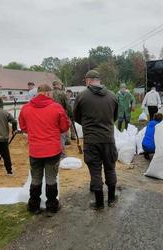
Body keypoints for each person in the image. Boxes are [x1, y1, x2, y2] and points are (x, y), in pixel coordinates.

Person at [19, 84, 70, 216]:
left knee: (35, 178)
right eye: (51, 93)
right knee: (51, 178)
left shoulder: (26, 108)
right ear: (47, 93)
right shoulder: (56, 107)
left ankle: (34, 206)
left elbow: (23, 127)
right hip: (52, 149)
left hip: (35, 150)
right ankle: (52, 206)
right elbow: (64, 127)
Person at [73, 70, 118, 210]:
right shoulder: (112, 96)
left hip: (91, 140)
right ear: (99, 80)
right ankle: (111, 199)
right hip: (108, 138)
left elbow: (76, 117)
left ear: (88, 80)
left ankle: (99, 203)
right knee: (110, 168)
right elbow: (114, 117)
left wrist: (88, 125)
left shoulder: (81, 96)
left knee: (95, 170)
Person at [52, 80, 72, 148]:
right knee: (62, 131)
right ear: (58, 85)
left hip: (51, 116)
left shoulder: (49, 93)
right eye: (61, 85)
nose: (61, 86)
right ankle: (62, 148)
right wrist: (71, 115)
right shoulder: (62, 93)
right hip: (61, 115)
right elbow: (68, 106)